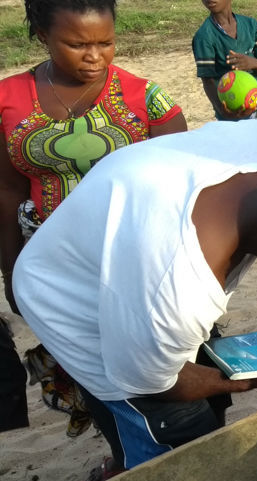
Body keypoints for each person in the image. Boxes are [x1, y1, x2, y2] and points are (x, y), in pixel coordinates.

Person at [12, 119, 257, 479]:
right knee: (171, 434)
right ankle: (130, 465)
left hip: (124, 253)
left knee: (197, 383)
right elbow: (155, 384)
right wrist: (244, 381)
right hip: (66, 296)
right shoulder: (175, 289)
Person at [0, 0, 187, 435]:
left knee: (160, 364)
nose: (95, 56)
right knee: (93, 371)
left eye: (106, 43)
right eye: (77, 44)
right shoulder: (7, 100)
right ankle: (123, 447)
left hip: (139, 266)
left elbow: (183, 190)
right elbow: (7, 191)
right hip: (57, 272)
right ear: (42, 36)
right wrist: (12, 272)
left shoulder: (147, 99)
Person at [192, 0, 257, 121]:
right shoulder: (204, 37)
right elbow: (208, 81)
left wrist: (252, 62)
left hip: (256, 107)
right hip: (230, 114)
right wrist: (224, 112)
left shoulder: (251, 25)